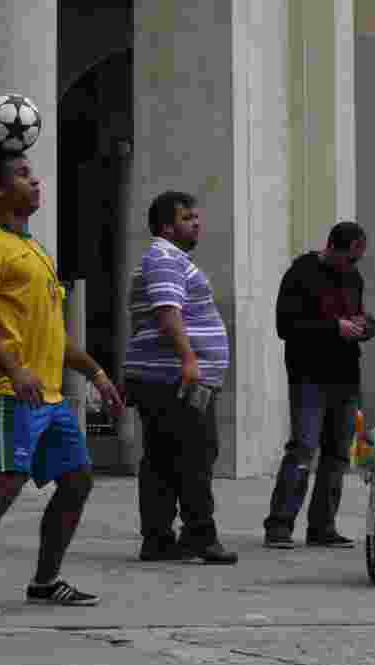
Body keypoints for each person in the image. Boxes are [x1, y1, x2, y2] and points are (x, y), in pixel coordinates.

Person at [0, 147, 124, 618]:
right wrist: (15, 370)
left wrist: (95, 372)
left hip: (49, 396)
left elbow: (53, 333)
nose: (35, 181)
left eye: (32, 174)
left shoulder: (35, 250)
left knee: (77, 480)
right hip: (5, 393)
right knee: (2, 485)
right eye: (22, 175)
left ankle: (45, 581)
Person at [122, 191, 238, 564]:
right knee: (195, 455)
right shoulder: (164, 258)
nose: (197, 223)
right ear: (167, 226)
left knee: (162, 458)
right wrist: (189, 359)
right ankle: (200, 536)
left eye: (196, 217)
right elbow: (167, 311)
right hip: (173, 377)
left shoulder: (167, 259)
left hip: (162, 376)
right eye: (188, 218)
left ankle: (157, 539)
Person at [263, 221, 375, 550]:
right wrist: (334, 327)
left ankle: (322, 526)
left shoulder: (353, 278)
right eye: (351, 258)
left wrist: (364, 326)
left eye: (358, 259)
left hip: (345, 375)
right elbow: (285, 326)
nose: (354, 266)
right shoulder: (301, 273)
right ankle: (280, 524)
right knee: (303, 447)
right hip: (308, 376)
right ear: (333, 248)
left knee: (338, 453)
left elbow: (352, 318)